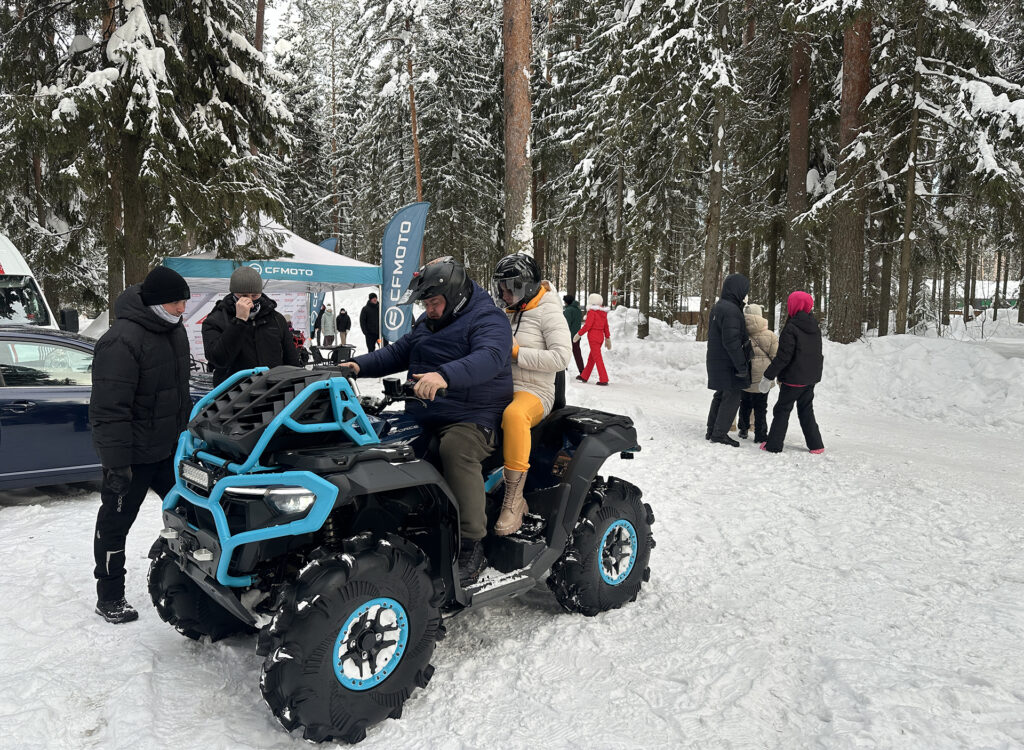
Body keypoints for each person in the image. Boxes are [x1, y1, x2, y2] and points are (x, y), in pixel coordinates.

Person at [343, 258, 512, 584]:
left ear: (456, 295)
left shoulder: (489, 319)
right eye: (426, 303)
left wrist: (444, 375)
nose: (430, 308)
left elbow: (489, 358)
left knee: (456, 450)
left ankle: (471, 543)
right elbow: (396, 353)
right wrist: (356, 367)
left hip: (474, 416)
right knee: (380, 444)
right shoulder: (428, 322)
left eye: (434, 302)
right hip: (425, 410)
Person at [89, 266, 192, 624]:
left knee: (191, 515)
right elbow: (108, 409)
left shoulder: (175, 332)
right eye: (177, 302)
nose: (183, 309)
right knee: (115, 525)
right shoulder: (122, 340)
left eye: (184, 302)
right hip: (131, 457)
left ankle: (184, 573)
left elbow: (179, 396)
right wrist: (116, 464)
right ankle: (110, 595)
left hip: (168, 451)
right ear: (157, 302)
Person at [492, 254, 572, 536]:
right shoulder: (506, 312)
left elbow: (562, 358)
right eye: (500, 288)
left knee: (514, 416)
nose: (503, 294)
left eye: (508, 287)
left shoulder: (549, 312)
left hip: (535, 392)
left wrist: (517, 353)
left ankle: (514, 499)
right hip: (502, 387)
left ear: (525, 285)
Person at [201, 265, 302, 386]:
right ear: (233, 293)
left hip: (272, 394)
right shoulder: (215, 320)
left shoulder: (276, 319)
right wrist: (239, 321)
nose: (249, 301)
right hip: (232, 396)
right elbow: (218, 359)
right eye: (243, 296)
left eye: (254, 296)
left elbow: (291, 361)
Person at [758, 290, 824, 454]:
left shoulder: (791, 327)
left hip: (794, 379)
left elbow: (783, 357)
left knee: (782, 410)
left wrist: (768, 376)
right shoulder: (814, 326)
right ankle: (816, 445)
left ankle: (773, 445)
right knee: (806, 410)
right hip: (809, 379)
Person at [705, 273, 752, 447]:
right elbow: (731, 341)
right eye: (745, 291)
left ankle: (712, 429)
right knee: (732, 395)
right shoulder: (731, 310)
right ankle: (719, 433)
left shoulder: (720, 306)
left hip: (718, 359)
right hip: (728, 361)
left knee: (721, 394)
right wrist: (741, 365)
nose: (746, 295)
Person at [738, 302, 778, 442]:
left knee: (745, 403)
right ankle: (760, 435)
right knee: (761, 407)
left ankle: (743, 429)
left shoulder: (740, 334)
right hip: (763, 377)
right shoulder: (771, 335)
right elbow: (775, 357)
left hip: (746, 375)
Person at [573, 293, 611, 384]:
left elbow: (587, 326)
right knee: (592, 358)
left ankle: (604, 379)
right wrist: (607, 338)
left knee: (597, 358)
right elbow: (606, 326)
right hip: (600, 337)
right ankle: (584, 376)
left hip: (593, 337)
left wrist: (578, 334)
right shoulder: (603, 312)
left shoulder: (592, 312)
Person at [562, 294, 585, 375]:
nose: (564, 303)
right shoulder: (578, 310)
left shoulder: (568, 311)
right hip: (577, 335)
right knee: (577, 353)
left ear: (567, 302)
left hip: (568, 336)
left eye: (564, 302)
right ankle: (582, 370)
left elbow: (566, 324)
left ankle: (563, 369)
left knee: (565, 352)